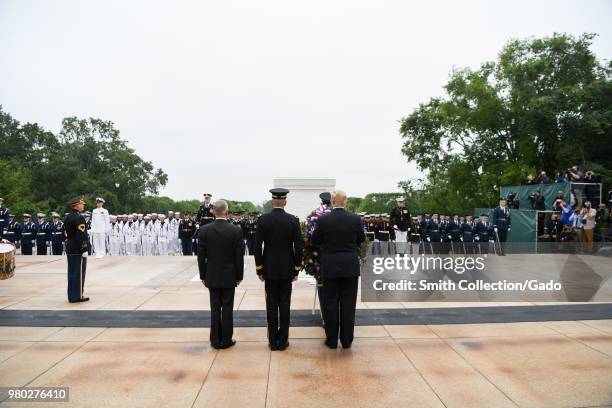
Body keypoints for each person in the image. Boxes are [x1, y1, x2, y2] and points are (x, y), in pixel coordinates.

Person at [312, 190, 365, 349]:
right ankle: (347, 340)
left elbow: (315, 241)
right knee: (348, 304)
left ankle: (332, 340)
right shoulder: (355, 219)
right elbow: (361, 239)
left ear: (332, 201)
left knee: (330, 303)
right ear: (346, 201)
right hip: (350, 266)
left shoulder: (323, 220)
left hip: (330, 266)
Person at [254, 188, 303, 351]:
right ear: (285, 202)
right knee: (285, 305)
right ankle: (283, 341)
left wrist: (259, 269)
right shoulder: (293, 220)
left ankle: (272, 340)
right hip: (287, 269)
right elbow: (299, 247)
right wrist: (296, 269)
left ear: (272, 201)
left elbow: (257, 247)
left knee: (271, 304)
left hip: (269, 269)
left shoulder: (263, 220)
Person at [197, 200, 244, 349]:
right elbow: (239, 257)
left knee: (215, 308)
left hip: (212, 275)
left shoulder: (204, 230)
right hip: (229, 276)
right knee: (228, 308)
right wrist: (239, 276)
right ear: (226, 212)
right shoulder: (235, 230)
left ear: (213, 212)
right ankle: (226, 339)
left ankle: (215, 340)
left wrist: (203, 275)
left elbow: (200, 257)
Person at [64, 195, 90, 303]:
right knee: (78, 273)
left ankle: (71, 295)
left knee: (72, 272)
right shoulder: (79, 218)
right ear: (77, 205)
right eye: (81, 204)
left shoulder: (68, 217)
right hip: (78, 249)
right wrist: (84, 248)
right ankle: (77, 296)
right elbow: (81, 234)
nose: (83, 206)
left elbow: (65, 233)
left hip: (70, 247)